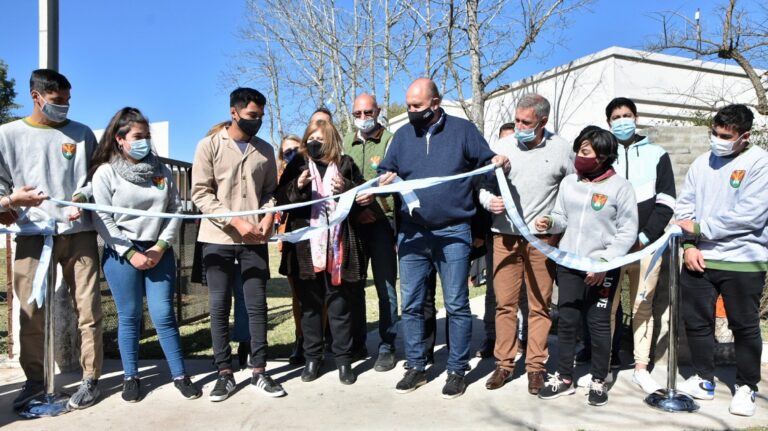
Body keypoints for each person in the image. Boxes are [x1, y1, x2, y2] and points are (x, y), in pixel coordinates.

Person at [378, 77, 509, 399]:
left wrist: (497, 164)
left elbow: (486, 166)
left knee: (456, 304)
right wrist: (383, 180)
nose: (410, 111)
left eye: (416, 106)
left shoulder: (463, 131)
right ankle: (416, 366)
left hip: (453, 232)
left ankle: (456, 370)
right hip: (412, 234)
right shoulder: (402, 136)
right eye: (408, 105)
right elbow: (386, 171)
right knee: (411, 305)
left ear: (435, 103)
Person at [0, 69, 104, 410]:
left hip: (80, 236)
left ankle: (91, 380)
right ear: (36, 97)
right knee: (31, 312)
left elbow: (98, 178)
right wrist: (12, 201)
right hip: (32, 237)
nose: (65, 107)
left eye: (68, 101)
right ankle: (34, 381)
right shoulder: (8, 135)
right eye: (58, 101)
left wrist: (83, 198)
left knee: (88, 310)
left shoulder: (82, 133)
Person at [89, 107, 201, 402]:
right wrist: (130, 252)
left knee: (164, 315)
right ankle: (131, 377)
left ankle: (180, 374)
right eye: (138, 136)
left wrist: (160, 247)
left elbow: (176, 210)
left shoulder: (162, 171)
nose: (145, 142)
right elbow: (101, 217)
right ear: (120, 139)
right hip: (121, 252)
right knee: (130, 316)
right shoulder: (106, 172)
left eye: (147, 136)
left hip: (158, 250)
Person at [674, 104, 768, 417]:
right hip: (699, 257)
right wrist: (689, 244)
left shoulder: (760, 163)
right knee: (698, 323)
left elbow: (751, 216)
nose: (718, 140)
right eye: (714, 133)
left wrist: (701, 229)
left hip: (743, 259)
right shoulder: (702, 163)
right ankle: (704, 379)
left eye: (725, 136)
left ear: (745, 136)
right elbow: (684, 208)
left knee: (744, 325)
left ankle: (746, 386)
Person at [191, 87, 284, 401]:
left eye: (260, 116)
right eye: (251, 116)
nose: (256, 121)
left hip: (255, 240)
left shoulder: (265, 150)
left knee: (257, 305)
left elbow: (272, 191)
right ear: (234, 112)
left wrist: (268, 218)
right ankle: (224, 372)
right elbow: (201, 194)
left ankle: (259, 369)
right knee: (219, 307)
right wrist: (236, 221)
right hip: (217, 240)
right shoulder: (209, 146)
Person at [535, 126, 638, 407]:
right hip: (570, 263)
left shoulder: (621, 187)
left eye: (584, 151)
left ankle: (598, 380)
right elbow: (561, 216)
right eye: (579, 149)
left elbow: (627, 232)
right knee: (567, 320)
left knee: (598, 324)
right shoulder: (569, 183)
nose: (578, 156)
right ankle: (564, 377)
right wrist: (550, 222)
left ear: (603, 156)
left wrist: (605, 263)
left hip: (602, 268)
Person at [479, 94, 573, 394]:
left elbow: (571, 193)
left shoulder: (562, 149)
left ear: (543, 122)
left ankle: (536, 367)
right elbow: (481, 185)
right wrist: (488, 201)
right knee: (504, 305)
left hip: (542, 241)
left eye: (526, 122)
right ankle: (504, 364)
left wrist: (556, 225)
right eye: (517, 120)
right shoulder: (501, 148)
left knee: (540, 306)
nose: (519, 126)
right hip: (504, 237)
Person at [276, 119, 366, 385]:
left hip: (338, 247)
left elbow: (362, 201)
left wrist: (347, 190)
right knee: (310, 307)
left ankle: (343, 361)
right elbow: (281, 200)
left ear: (332, 141)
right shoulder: (298, 165)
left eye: (320, 139)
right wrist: (299, 187)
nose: (314, 144)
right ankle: (312, 358)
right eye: (310, 139)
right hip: (305, 249)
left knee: (339, 306)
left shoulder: (347, 163)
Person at [606, 97, 676, 393]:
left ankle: (640, 367)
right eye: (616, 117)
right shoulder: (603, 154)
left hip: (648, 246)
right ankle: (605, 366)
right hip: (611, 248)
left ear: (636, 118)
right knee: (607, 306)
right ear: (608, 122)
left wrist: (645, 237)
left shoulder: (658, 154)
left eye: (627, 115)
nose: (622, 120)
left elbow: (667, 200)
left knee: (642, 305)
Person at [343, 93, 399, 372]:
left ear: (378, 111)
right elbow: (339, 185)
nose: (363, 119)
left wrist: (375, 205)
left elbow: (399, 183)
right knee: (353, 286)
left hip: (382, 224)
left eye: (368, 113)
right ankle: (357, 342)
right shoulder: (344, 143)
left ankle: (387, 345)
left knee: (385, 287)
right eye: (358, 114)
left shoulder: (391, 142)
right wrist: (355, 209)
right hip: (353, 225)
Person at [277, 134, 306, 365]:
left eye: (296, 149)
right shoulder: (279, 177)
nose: (292, 154)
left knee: (320, 293)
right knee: (298, 295)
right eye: (287, 152)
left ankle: (321, 336)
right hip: (289, 238)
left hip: (315, 235)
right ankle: (300, 338)